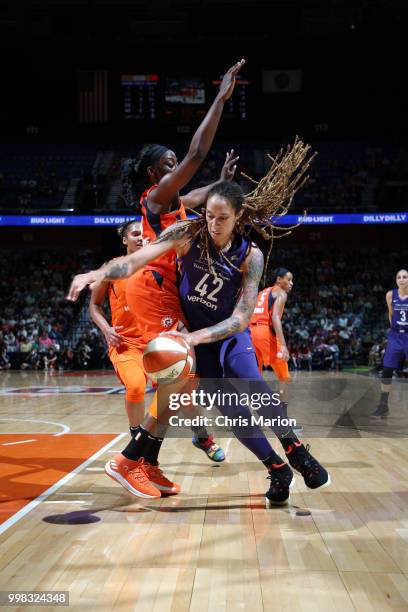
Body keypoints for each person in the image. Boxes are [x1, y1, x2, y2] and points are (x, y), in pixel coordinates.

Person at [68, 140, 330, 507]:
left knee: (253, 385)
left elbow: (241, 318)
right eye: (208, 215)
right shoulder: (187, 234)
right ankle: (276, 468)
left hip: (225, 337)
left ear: (238, 217)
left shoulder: (250, 256)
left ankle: (295, 449)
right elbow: (135, 260)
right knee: (233, 413)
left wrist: (196, 335)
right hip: (196, 345)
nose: (213, 223)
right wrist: (95, 272)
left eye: (222, 218)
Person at [371, 269, 408, 419]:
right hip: (395, 335)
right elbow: (390, 314)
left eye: (405, 277)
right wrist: (395, 330)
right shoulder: (390, 295)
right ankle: (383, 405)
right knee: (387, 370)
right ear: (396, 280)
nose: (402, 279)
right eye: (399, 277)